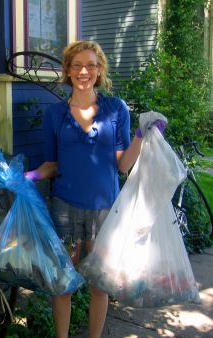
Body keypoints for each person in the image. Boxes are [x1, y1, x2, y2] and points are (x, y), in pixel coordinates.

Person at [24, 40, 165, 338]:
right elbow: (52, 164)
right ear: (67, 71)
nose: (83, 71)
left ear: (99, 70)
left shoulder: (116, 109)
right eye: (76, 65)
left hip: (105, 208)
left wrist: (140, 136)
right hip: (64, 206)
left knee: (100, 284)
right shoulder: (55, 115)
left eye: (90, 65)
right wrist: (27, 176)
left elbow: (123, 165)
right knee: (63, 282)